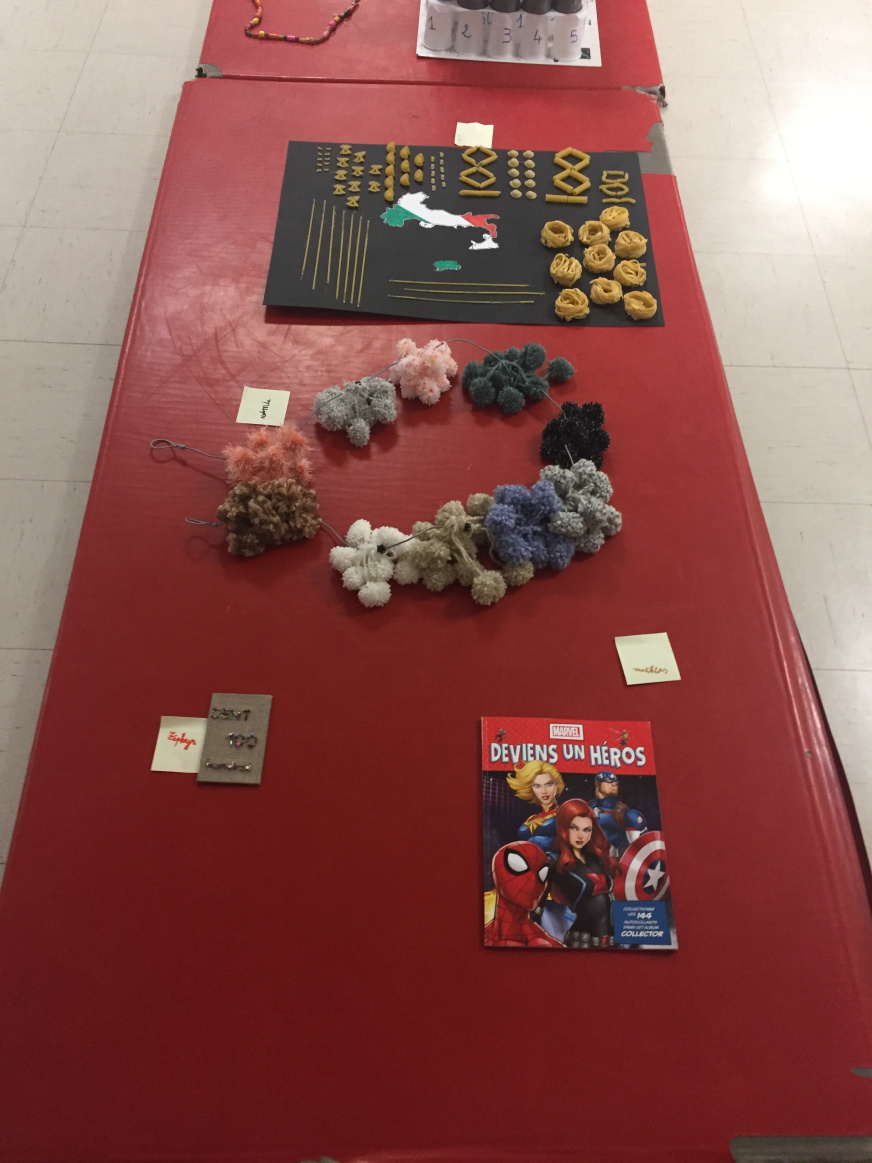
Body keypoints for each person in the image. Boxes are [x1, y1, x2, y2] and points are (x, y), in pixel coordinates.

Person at [549, 799, 620, 949]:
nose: (581, 836)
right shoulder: (554, 860)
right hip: (582, 938)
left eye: (587, 830)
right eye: (574, 828)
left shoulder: (595, 858)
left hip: (609, 934)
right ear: (563, 827)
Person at [484, 842, 563, 948]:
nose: (534, 882)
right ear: (497, 873)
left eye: (542, 874)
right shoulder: (483, 938)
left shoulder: (546, 943)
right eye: (518, 867)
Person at [506, 760, 565, 851]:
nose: (544, 791)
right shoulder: (532, 818)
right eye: (537, 786)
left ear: (557, 784)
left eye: (549, 784)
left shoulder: (565, 813)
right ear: (531, 789)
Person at [589, 771, 647, 856]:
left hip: (617, 857)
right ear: (597, 783)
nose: (614, 784)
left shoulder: (623, 813)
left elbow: (643, 849)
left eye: (615, 782)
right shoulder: (588, 807)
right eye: (608, 780)